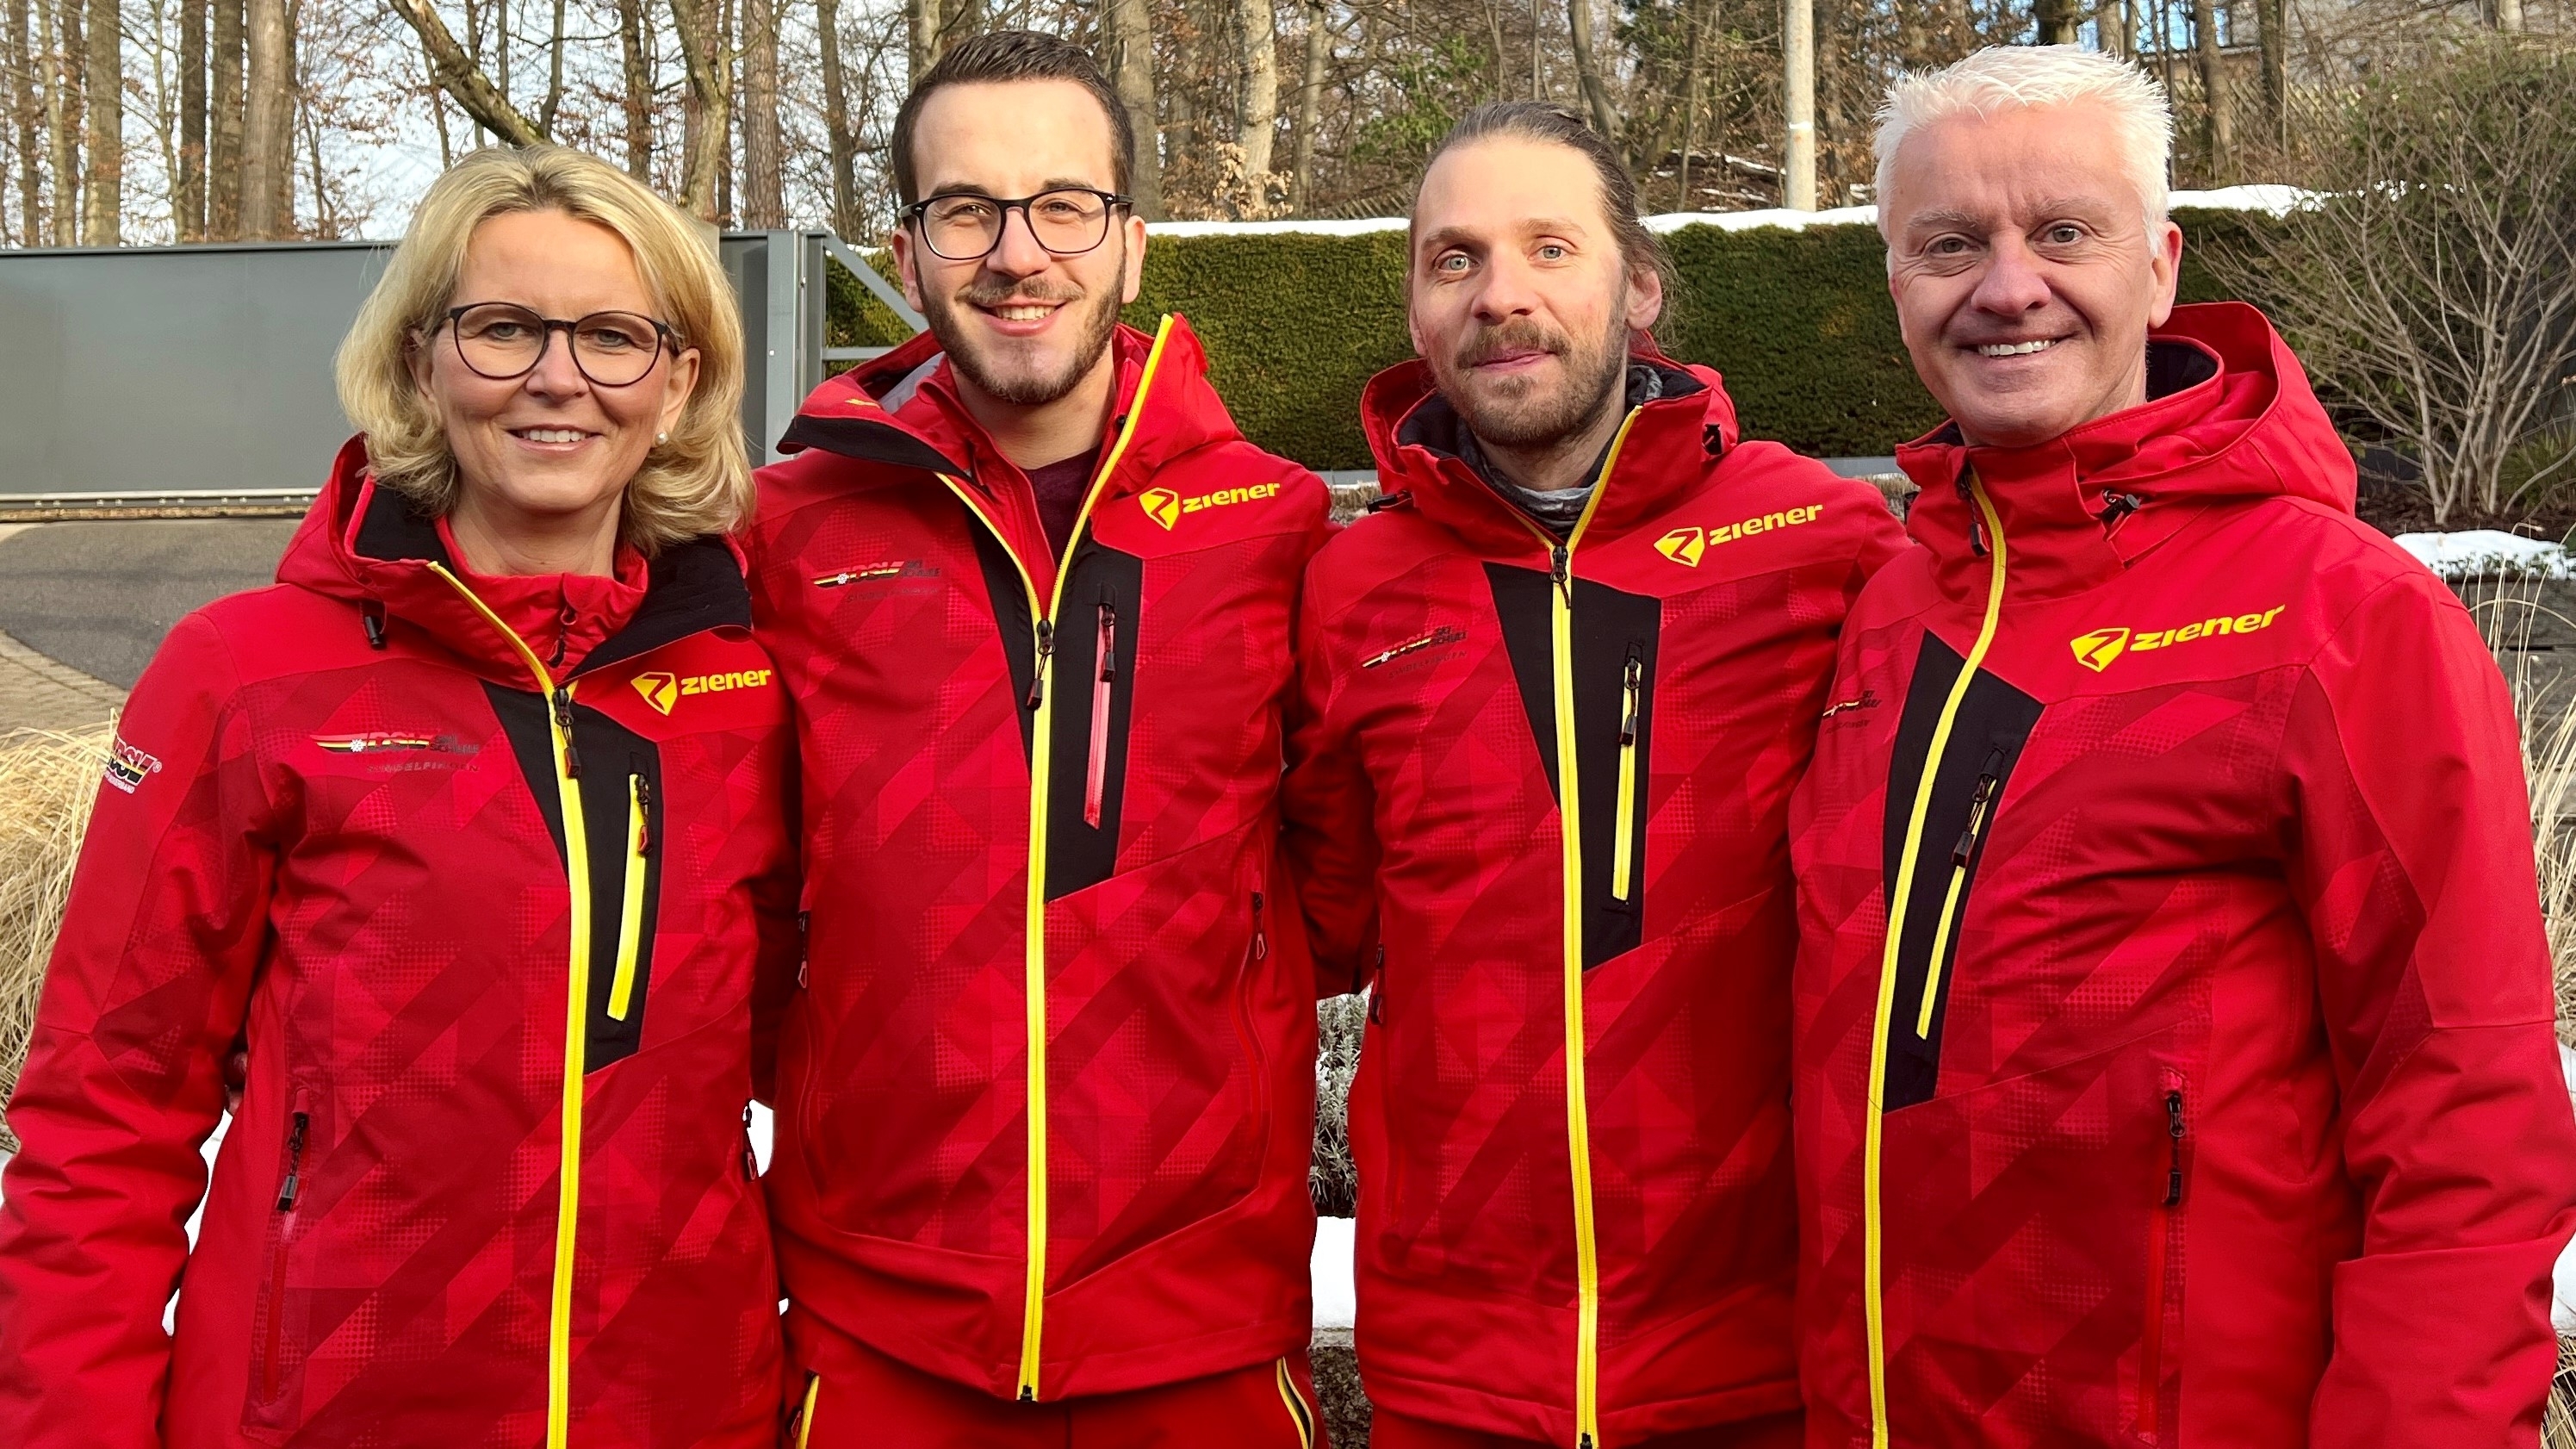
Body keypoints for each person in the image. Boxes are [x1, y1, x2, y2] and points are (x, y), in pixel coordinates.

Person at [1789, 45, 2576, 1448]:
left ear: (2159, 270)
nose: (2008, 287)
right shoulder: (1890, 615)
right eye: (1950, 244)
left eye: (2064, 232)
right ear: (1895, 282)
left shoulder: (2340, 616)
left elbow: (2468, 1115)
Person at [0, 146, 796, 1448]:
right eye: (504, 328)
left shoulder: (751, 689)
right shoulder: (246, 676)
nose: (558, 377)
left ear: (679, 381)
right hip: (319, 1409)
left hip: (682, 1410)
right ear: (423, 362)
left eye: (613, 336)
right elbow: (105, 1109)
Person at [1282, 102, 1907, 1449]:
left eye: (1550, 247)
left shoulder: (1829, 544)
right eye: (1455, 259)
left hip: (1757, 1360)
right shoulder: (1351, 588)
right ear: (1415, 310)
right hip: (1456, 1369)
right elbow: (1316, 915)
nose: (1500, 295)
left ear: (1641, 285)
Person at [745, 31, 1334, 1446]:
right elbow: (737, 895)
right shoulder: (787, 531)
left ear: (1131, 243)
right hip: (882, 1331)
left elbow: (1347, 876)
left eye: (1065, 205)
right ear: (909, 250)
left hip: (1199, 1337)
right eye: (967, 211)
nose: (1019, 254)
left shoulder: (1276, 527)